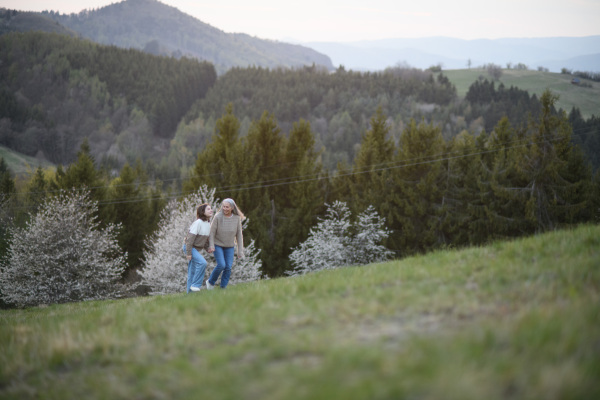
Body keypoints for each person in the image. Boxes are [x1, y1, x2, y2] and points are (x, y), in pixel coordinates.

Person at [206, 198, 245, 289]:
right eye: (223, 206)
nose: (225, 209)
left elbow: (239, 235)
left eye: (227, 207)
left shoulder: (236, 218)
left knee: (228, 267)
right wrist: (211, 245)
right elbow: (211, 233)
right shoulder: (218, 217)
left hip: (229, 246)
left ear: (232, 207)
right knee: (221, 265)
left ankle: (223, 287)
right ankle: (210, 282)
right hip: (217, 244)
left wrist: (240, 251)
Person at [183, 203, 213, 292]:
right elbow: (190, 239)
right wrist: (188, 253)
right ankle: (196, 285)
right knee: (202, 263)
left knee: (191, 273)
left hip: (195, 249)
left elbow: (202, 240)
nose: (211, 210)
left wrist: (208, 248)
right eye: (208, 209)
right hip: (189, 247)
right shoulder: (198, 223)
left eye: (211, 209)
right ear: (202, 212)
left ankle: (190, 294)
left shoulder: (208, 224)